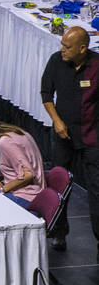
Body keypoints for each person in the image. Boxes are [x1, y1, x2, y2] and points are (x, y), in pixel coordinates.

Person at [41, 26, 99, 255]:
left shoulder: (96, 66)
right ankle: (58, 232)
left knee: (96, 188)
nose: (62, 49)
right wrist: (56, 120)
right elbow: (46, 94)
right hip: (63, 134)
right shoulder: (56, 61)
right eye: (62, 44)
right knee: (59, 183)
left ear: (82, 48)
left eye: (67, 46)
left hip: (91, 135)